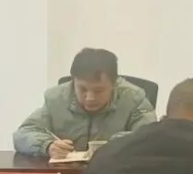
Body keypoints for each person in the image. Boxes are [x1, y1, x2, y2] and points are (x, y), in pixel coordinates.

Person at [13, 48, 156, 159]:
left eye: (98, 90)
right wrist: (47, 146)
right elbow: (24, 133)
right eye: (82, 89)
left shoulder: (134, 99)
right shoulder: (56, 98)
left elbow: (150, 138)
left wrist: (114, 146)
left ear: (114, 84)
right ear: (73, 82)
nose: (90, 98)